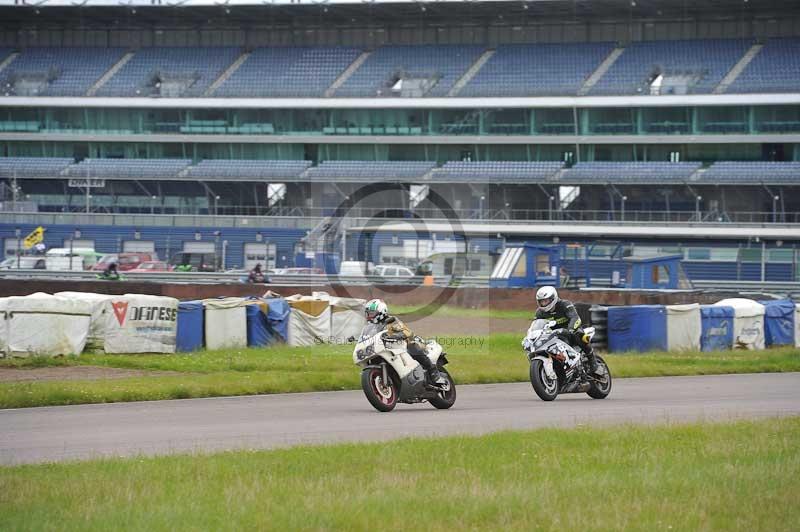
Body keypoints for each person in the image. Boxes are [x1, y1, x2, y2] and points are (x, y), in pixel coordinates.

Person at [363, 299, 445, 385]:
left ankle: (433, 372)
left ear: (381, 311)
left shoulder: (391, 320)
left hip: (407, 342)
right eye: (368, 314)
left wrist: (397, 335)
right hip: (390, 349)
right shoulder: (372, 327)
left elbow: (406, 332)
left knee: (412, 347)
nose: (369, 316)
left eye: (371, 313)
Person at [533, 286, 602, 376]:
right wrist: (534, 334)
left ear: (553, 298)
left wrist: (571, 329)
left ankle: (593, 363)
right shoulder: (540, 312)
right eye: (541, 301)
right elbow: (537, 325)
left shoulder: (565, 304)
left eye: (546, 301)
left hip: (571, 330)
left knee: (579, 335)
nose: (543, 303)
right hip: (556, 335)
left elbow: (575, 318)